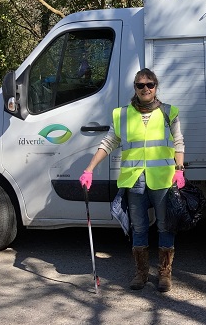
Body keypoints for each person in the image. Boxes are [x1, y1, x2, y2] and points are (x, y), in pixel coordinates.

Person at [79, 68, 185, 293]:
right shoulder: (122, 114)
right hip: (134, 180)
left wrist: (180, 169)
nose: (146, 89)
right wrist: (89, 169)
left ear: (156, 87)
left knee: (166, 226)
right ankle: (141, 273)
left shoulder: (169, 112)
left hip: (162, 179)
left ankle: (165, 274)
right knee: (139, 228)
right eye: (140, 85)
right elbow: (108, 143)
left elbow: (178, 142)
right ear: (135, 88)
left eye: (150, 85)